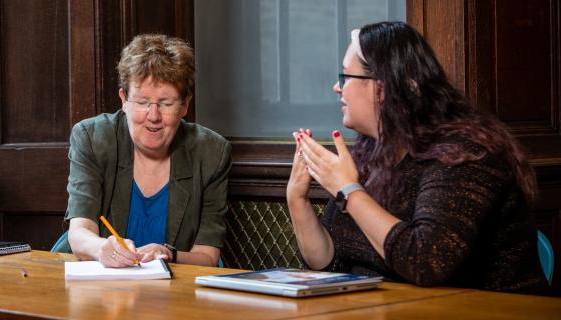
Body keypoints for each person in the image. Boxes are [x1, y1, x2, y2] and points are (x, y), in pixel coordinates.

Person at [287, 21, 550, 294]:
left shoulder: (465, 154)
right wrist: (297, 198)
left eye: (346, 77)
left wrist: (350, 192)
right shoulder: (368, 153)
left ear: (384, 87)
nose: (336, 88)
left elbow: (427, 262)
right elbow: (330, 264)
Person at [63, 34, 231, 267]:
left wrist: (168, 253)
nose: (153, 116)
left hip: (175, 289)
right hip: (99, 279)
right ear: (123, 99)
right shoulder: (92, 138)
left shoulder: (211, 152)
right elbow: (79, 235)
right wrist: (104, 248)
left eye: (166, 103)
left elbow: (207, 257)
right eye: (142, 102)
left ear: (185, 105)